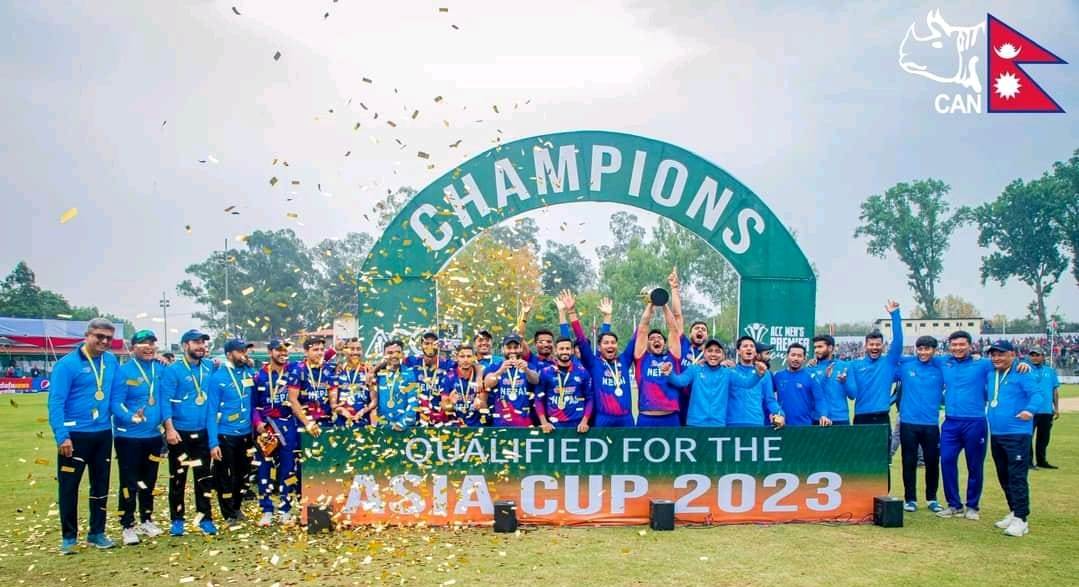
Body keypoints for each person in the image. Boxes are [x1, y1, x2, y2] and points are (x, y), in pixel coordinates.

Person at [934, 330, 1028, 520]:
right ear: (949, 346)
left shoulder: (983, 364)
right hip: (951, 422)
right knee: (946, 461)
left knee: (975, 465)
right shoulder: (943, 362)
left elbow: (1004, 361)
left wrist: (1023, 363)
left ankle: (972, 506)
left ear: (970, 346)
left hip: (975, 422)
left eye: (962, 344)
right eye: (954, 345)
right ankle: (954, 505)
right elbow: (917, 358)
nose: (958, 348)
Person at [48, 318, 121, 553]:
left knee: (100, 485)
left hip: (102, 434)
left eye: (109, 338)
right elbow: (56, 403)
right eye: (99, 336)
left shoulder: (111, 361)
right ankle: (69, 537)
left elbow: (116, 395)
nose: (104, 341)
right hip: (74, 436)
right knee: (69, 487)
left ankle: (97, 533)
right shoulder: (67, 365)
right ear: (87, 335)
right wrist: (62, 436)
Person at [111, 329, 167, 545]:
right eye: (144, 344)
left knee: (149, 480)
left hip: (153, 436)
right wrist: (130, 416)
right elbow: (116, 403)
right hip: (129, 437)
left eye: (152, 343)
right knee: (129, 481)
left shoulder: (160, 368)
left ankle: (146, 519)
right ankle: (127, 525)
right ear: (133, 347)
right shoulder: (124, 371)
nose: (149, 347)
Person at [160, 329, 217, 537]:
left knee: (204, 478)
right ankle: (177, 519)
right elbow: (164, 401)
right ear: (185, 345)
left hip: (202, 432)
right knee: (178, 477)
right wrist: (169, 429)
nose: (201, 346)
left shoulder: (210, 367)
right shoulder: (173, 370)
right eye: (196, 342)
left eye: (203, 343)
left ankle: (205, 517)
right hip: (180, 433)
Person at [984, 340, 1042, 537]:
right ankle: (1013, 511)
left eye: (1001, 354)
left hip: (1017, 434)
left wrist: (1029, 410)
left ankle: (1022, 519)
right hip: (997, 434)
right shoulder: (992, 374)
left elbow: (1037, 395)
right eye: (993, 355)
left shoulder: (1022, 372)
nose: (996, 358)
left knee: (1017, 476)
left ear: (1012, 355)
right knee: (1003, 475)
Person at [562, 292, 635, 427]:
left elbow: (638, 336)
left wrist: (650, 306)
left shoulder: (624, 360)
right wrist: (571, 312)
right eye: (606, 343)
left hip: (626, 419)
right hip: (603, 418)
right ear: (599, 348)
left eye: (613, 342)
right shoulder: (594, 363)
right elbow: (581, 339)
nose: (610, 345)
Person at [207, 338, 256, 524]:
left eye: (245, 351)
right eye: (240, 351)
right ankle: (228, 513)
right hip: (225, 434)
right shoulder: (218, 377)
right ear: (229, 354)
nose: (244, 355)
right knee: (226, 475)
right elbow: (211, 412)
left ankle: (236, 506)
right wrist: (213, 442)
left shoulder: (249, 373)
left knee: (243, 474)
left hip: (246, 434)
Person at [252, 338, 300, 527]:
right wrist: (258, 423)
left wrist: (336, 350)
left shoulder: (294, 371)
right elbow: (253, 405)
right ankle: (266, 510)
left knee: (288, 470)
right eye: (279, 350)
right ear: (270, 352)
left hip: (288, 427)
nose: (283, 353)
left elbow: (319, 358)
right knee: (264, 469)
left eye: (286, 350)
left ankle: (285, 510)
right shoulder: (259, 376)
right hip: (267, 428)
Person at [665, 338, 766, 426]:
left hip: (718, 424)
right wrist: (669, 373)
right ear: (704, 354)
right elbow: (680, 381)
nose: (713, 354)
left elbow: (747, 383)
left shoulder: (728, 373)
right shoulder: (695, 369)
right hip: (695, 423)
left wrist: (758, 374)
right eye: (710, 351)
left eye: (717, 351)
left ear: (723, 355)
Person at [896, 336, 944, 513]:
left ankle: (932, 498)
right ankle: (910, 499)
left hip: (930, 424)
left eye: (927, 349)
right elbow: (892, 358)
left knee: (932, 462)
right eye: (920, 349)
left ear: (934, 350)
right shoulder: (906, 366)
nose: (923, 352)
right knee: (909, 461)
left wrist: (1019, 365)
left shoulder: (941, 367)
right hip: (908, 423)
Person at [846, 301, 903, 425]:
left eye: (878, 344)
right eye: (871, 344)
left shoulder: (889, 362)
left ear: (883, 346)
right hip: (861, 416)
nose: (874, 347)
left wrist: (895, 314)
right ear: (865, 346)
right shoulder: (854, 365)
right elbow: (851, 394)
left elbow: (898, 341)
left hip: (882, 415)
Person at [632, 300, 684, 427]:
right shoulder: (641, 358)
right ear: (646, 344)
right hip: (646, 418)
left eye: (659, 338)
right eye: (652, 339)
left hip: (671, 418)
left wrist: (664, 303)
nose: (656, 340)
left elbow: (673, 330)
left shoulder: (673, 357)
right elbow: (643, 328)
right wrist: (651, 303)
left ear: (664, 343)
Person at [535, 337, 593, 432]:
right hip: (553, 425)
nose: (565, 352)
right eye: (561, 349)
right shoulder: (545, 372)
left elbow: (589, 399)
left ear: (572, 351)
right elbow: (538, 399)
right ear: (555, 351)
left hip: (577, 425)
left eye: (567, 349)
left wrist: (584, 421)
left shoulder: (582, 372)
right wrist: (544, 422)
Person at [727, 336, 786, 428]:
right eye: (745, 346)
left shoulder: (765, 373)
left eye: (752, 346)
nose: (749, 348)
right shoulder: (729, 372)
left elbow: (770, 400)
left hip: (756, 422)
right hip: (732, 423)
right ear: (738, 351)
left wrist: (779, 413)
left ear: (755, 352)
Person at [484, 334, 541, 427]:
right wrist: (501, 370)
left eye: (515, 347)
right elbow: (487, 384)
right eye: (509, 348)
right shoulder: (495, 366)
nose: (512, 351)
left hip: (524, 422)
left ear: (521, 348)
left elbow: (536, 380)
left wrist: (526, 370)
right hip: (501, 422)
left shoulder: (527, 365)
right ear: (503, 349)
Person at [287, 337, 334, 437]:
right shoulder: (298, 370)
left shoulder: (329, 369)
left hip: (327, 424)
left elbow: (333, 398)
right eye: (315, 350)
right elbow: (292, 400)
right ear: (306, 352)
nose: (320, 353)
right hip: (305, 424)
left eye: (322, 349)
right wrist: (308, 424)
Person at [368, 340, 421, 428]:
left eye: (398, 352)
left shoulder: (409, 374)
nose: (394, 356)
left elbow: (413, 403)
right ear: (384, 355)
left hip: (404, 428)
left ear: (402, 354)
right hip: (382, 427)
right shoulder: (378, 374)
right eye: (390, 353)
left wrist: (402, 424)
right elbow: (372, 401)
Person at [772, 343, 822, 426]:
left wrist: (823, 415)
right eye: (793, 355)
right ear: (787, 356)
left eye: (799, 356)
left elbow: (820, 399)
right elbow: (769, 398)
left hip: (804, 425)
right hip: (781, 425)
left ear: (804, 358)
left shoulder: (811, 376)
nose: (796, 358)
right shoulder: (778, 376)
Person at [1026, 347, 1060, 469]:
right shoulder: (1025, 370)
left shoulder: (1050, 371)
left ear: (1043, 356)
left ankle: (1041, 461)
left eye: (1037, 355)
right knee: (1028, 437)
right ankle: (1028, 462)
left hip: (1046, 410)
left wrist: (1056, 408)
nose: (1034, 357)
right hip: (1030, 410)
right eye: (1032, 355)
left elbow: (1054, 390)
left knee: (1044, 438)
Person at [409, 332, 453, 425]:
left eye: (433, 344)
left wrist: (478, 377)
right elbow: (393, 360)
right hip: (418, 418)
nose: (430, 347)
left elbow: (471, 365)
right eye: (426, 343)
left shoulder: (448, 364)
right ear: (421, 345)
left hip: (441, 420)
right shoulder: (412, 361)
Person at [438, 344, 487, 426]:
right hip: (454, 426)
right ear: (457, 358)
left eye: (469, 356)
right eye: (462, 356)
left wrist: (480, 404)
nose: (466, 360)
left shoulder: (480, 376)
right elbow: (444, 405)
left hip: (476, 426)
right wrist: (450, 402)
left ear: (474, 358)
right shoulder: (449, 377)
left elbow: (484, 405)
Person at [809, 335, 851, 426]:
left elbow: (852, 395)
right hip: (818, 418)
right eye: (815, 347)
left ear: (830, 348)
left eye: (820, 347)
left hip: (840, 418)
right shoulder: (810, 368)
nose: (816, 350)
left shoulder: (845, 366)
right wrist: (825, 377)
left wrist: (845, 382)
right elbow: (813, 393)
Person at [333, 337, 374, 426]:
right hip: (341, 423)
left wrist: (363, 411)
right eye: (352, 349)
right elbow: (332, 403)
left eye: (358, 349)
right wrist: (341, 410)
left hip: (363, 422)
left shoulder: (368, 370)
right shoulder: (337, 370)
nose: (355, 352)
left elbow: (374, 400)